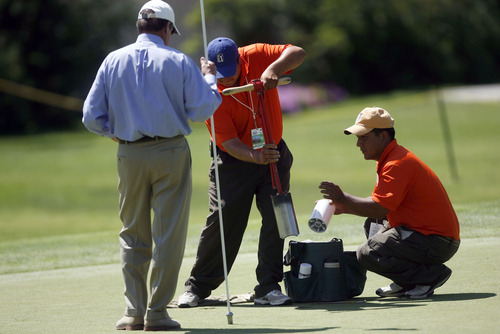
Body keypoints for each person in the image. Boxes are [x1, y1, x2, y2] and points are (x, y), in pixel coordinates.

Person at [82, 0, 221, 330]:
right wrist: (210, 79)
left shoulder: (112, 60)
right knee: (168, 235)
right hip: (171, 152)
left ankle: (133, 313)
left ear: (140, 26)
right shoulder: (178, 61)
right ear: (166, 29)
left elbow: (91, 116)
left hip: (129, 154)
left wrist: (114, 134)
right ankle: (157, 313)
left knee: (132, 234)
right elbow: (203, 109)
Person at [177, 37, 306, 307]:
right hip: (233, 161)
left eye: (230, 73)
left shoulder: (256, 54)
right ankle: (198, 287)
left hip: (272, 152)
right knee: (223, 219)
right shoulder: (209, 90)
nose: (224, 80)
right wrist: (256, 156)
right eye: (218, 75)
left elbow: (298, 52)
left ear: (240, 59)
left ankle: (268, 287)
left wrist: (274, 69)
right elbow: (229, 142)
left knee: (276, 218)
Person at [319, 107, 460, 299]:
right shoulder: (391, 158)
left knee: (367, 253)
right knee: (373, 224)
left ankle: (429, 277)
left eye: (364, 137)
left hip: (436, 242)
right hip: (428, 236)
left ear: (383, 136)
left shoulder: (396, 164)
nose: (358, 144)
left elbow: (379, 208)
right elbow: (380, 205)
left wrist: (343, 197)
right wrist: (346, 208)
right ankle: (407, 282)